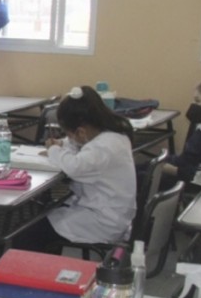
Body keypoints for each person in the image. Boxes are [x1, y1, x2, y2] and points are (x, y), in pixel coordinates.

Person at [12, 86, 136, 254]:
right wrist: (63, 143)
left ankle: (37, 276)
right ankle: (46, 273)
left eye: (69, 133)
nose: (69, 138)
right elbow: (75, 145)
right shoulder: (113, 135)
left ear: (81, 131)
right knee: (43, 222)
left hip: (103, 221)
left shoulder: (102, 148)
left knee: (27, 234)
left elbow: (74, 167)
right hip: (110, 212)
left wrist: (53, 150)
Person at [164, 78, 201, 184]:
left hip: (185, 179)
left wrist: (165, 168)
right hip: (181, 165)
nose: (193, 105)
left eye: (198, 101)